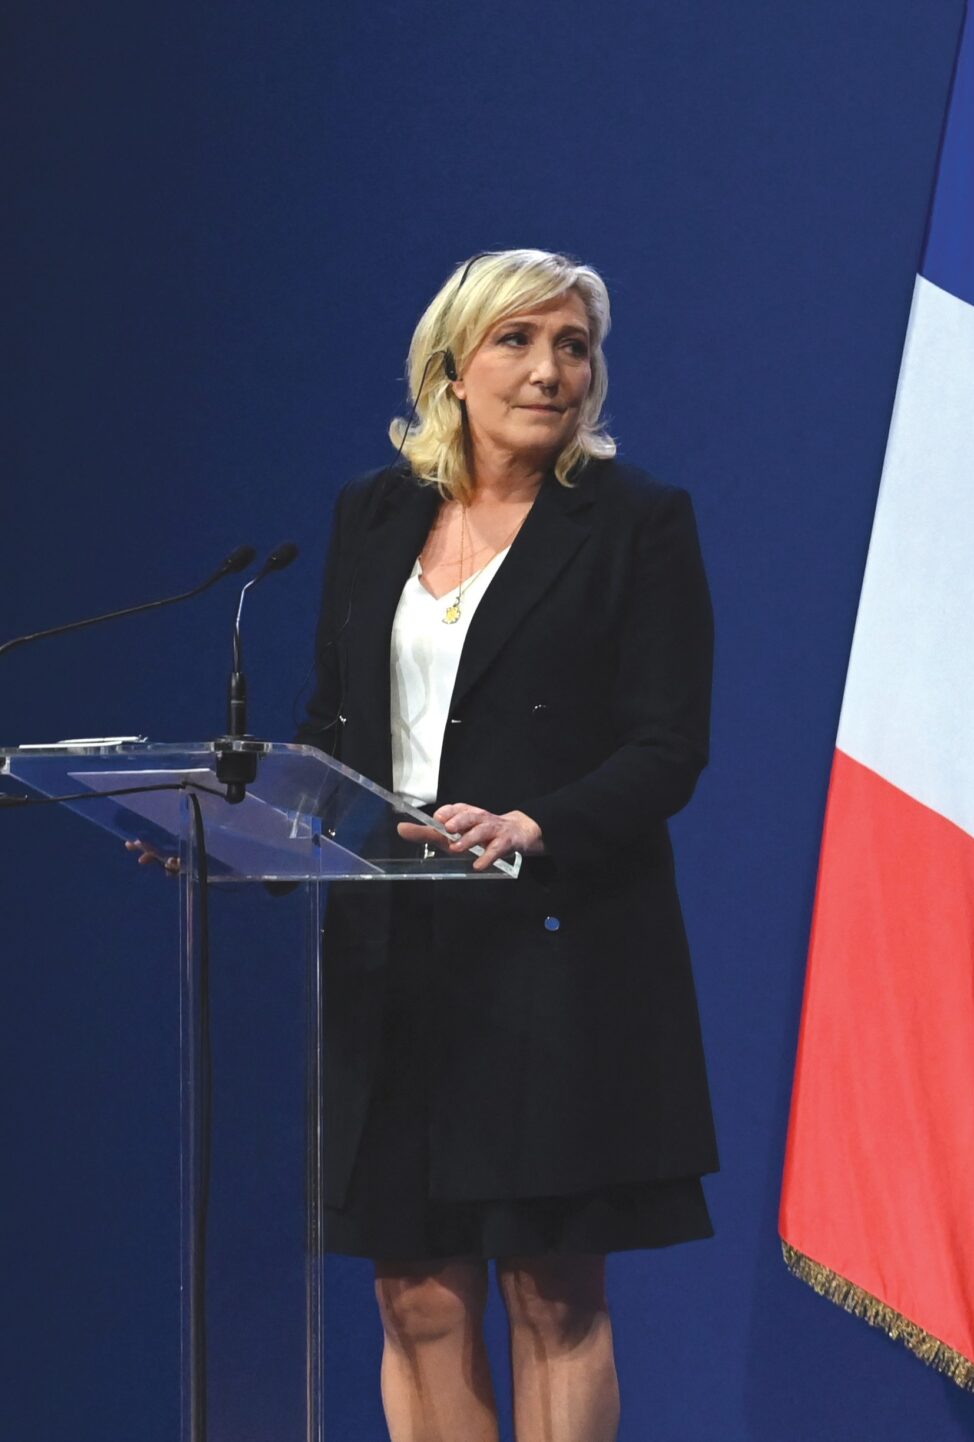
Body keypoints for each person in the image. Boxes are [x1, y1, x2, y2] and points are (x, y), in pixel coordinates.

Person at [296, 249, 718, 1442]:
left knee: (550, 1291)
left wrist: (537, 821)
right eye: (518, 342)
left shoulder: (637, 523)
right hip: (396, 941)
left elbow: (667, 744)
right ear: (452, 366)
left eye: (573, 345)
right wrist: (230, 824)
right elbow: (332, 723)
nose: (550, 370)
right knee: (415, 1293)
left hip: (557, 942)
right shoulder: (372, 514)